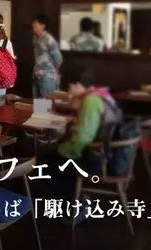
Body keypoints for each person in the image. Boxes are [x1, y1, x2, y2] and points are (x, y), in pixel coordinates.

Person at [44, 65, 121, 202]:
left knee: (45, 165)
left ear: (78, 84)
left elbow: (82, 139)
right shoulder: (101, 94)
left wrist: (61, 150)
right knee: (51, 157)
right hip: (107, 152)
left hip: (95, 157)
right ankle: (75, 196)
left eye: (69, 87)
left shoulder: (90, 101)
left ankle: (75, 201)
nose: (68, 91)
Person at [31, 14, 63, 98]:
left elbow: (58, 59)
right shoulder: (35, 38)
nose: (33, 25)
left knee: (45, 103)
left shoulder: (49, 40)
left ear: (43, 25)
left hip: (47, 77)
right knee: (36, 103)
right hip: (36, 74)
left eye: (35, 23)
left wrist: (54, 72)